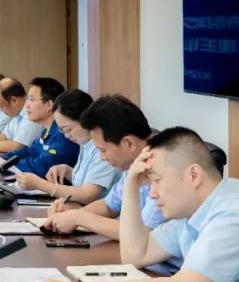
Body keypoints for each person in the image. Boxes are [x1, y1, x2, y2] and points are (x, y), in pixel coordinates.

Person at [24, 127, 239, 282]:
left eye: (156, 181)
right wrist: (131, 185)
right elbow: (136, 254)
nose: (152, 194)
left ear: (193, 175)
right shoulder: (194, 210)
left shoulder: (235, 214)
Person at [42, 95, 163, 239]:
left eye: (103, 150)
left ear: (129, 143)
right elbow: (109, 206)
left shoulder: (162, 169)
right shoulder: (134, 163)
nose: (101, 158)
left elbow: (142, 232)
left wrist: (79, 218)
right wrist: (70, 215)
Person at [12, 88, 120, 205]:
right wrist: (69, 172)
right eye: (62, 130)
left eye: (68, 129)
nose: (66, 135)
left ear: (84, 119)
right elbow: (88, 180)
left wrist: (39, 184)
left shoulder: (103, 149)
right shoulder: (84, 144)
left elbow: (87, 194)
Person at [0, 77, 77, 177]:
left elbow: (41, 167)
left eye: (31, 99)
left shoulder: (63, 134)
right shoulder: (47, 131)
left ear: (49, 105)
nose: (26, 105)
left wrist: (0, 167)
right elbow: (29, 152)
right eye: (27, 99)